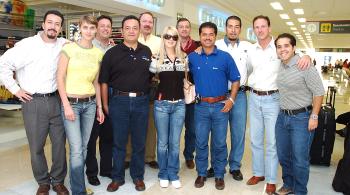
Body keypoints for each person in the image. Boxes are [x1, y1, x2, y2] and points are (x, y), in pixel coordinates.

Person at [0, 10, 69, 195]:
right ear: (43, 24)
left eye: (57, 24)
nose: (53, 26)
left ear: (61, 28)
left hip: (56, 100)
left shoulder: (64, 44)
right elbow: (3, 64)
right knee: (37, 146)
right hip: (34, 102)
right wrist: (15, 90)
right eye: (50, 22)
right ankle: (43, 183)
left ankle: (58, 181)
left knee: (59, 145)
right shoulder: (27, 45)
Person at [246, 15, 311, 195]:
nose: (260, 30)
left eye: (263, 26)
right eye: (256, 27)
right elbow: (248, 70)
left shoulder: (278, 48)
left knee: (272, 142)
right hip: (253, 97)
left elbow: (294, 57)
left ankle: (271, 180)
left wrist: (307, 55)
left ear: (269, 27)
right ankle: (258, 173)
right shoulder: (251, 49)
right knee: (255, 139)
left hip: (273, 100)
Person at [99, 15, 152, 192]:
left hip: (141, 102)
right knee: (119, 143)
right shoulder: (111, 53)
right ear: (121, 31)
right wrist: (105, 104)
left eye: (134, 27)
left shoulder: (146, 52)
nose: (131, 31)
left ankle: (138, 177)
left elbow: (152, 76)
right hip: (118, 102)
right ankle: (117, 177)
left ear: (139, 30)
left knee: (139, 142)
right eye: (127, 28)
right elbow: (104, 81)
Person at [189, 22, 240, 190]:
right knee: (201, 141)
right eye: (204, 34)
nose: (208, 37)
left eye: (211, 34)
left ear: (215, 36)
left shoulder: (225, 57)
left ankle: (219, 174)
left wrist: (231, 100)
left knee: (219, 143)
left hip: (220, 106)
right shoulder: (193, 57)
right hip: (201, 106)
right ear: (200, 36)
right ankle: (201, 173)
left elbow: (236, 79)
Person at [57, 15, 105, 195]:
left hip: (90, 105)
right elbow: (60, 77)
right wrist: (66, 105)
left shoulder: (98, 53)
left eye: (92, 28)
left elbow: (96, 83)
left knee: (84, 148)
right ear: (79, 28)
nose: (89, 31)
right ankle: (78, 191)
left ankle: (79, 184)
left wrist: (99, 107)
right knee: (76, 149)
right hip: (71, 104)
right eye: (86, 27)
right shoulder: (68, 49)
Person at [275, 33, 324, 195]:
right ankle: (288, 184)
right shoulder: (281, 64)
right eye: (279, 46)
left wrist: (314, 116)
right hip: (282, 117)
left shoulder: (305, 66)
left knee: (300, 159)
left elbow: (318, 92)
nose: (282, 50)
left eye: (286, 46)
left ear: (294, 48)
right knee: (283, 156)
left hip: (302, 118)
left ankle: (300, 191)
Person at [211, 15, 251, 181]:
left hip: (240, 95)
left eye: (236, 26)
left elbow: (253, 68)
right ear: (225, 28)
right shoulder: (216, 45)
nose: (233, 29)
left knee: (238, 133)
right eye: (230, 26)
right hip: (220, 95)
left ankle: (235, 166)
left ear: (240, 29)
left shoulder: (248, 47)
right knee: (217, 133)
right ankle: (216, 165)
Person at [149, 26, 187, 188]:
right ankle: (163, 173)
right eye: (167, 36)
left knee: (175, 142)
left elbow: (189, 79)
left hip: (179, 105)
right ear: (163, 38)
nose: (171, 40)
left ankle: (173, 173)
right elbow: (147, 80)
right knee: (163, 142)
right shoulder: (156, 58)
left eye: (174, 37)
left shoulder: (184, 58)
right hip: (161, 105)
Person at [124, 11, 161, 169]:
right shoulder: (131, 38)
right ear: (139, 23)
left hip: (153, 87)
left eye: (150, 22)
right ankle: (127, 156)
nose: (147, 24)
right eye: (144, 21)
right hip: (132, 87)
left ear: (153, 24)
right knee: (130, 124)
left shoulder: (160, 41)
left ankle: (149, 156)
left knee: (151, 125)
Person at [85, 14, 115, 186]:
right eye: (102, 25)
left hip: (110, 95)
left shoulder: (113, 48)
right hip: (91, 96)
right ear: (96, 28)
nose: (105, 28)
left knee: (108, 136)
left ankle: (106, 168)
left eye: (108, 26)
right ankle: (91, 172)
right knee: (91, 137)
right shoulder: (89, 47)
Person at [176, 17, 199, 169]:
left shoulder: (198, 46)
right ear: (177, 29)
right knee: (174, 129)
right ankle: (172, 156)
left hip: (191, 94)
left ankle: (189, 155)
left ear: (190, 29)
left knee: (192, 128)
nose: (184, 29)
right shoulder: (170, 44)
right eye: (181, 26)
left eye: (186, 27)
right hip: (174, 93)